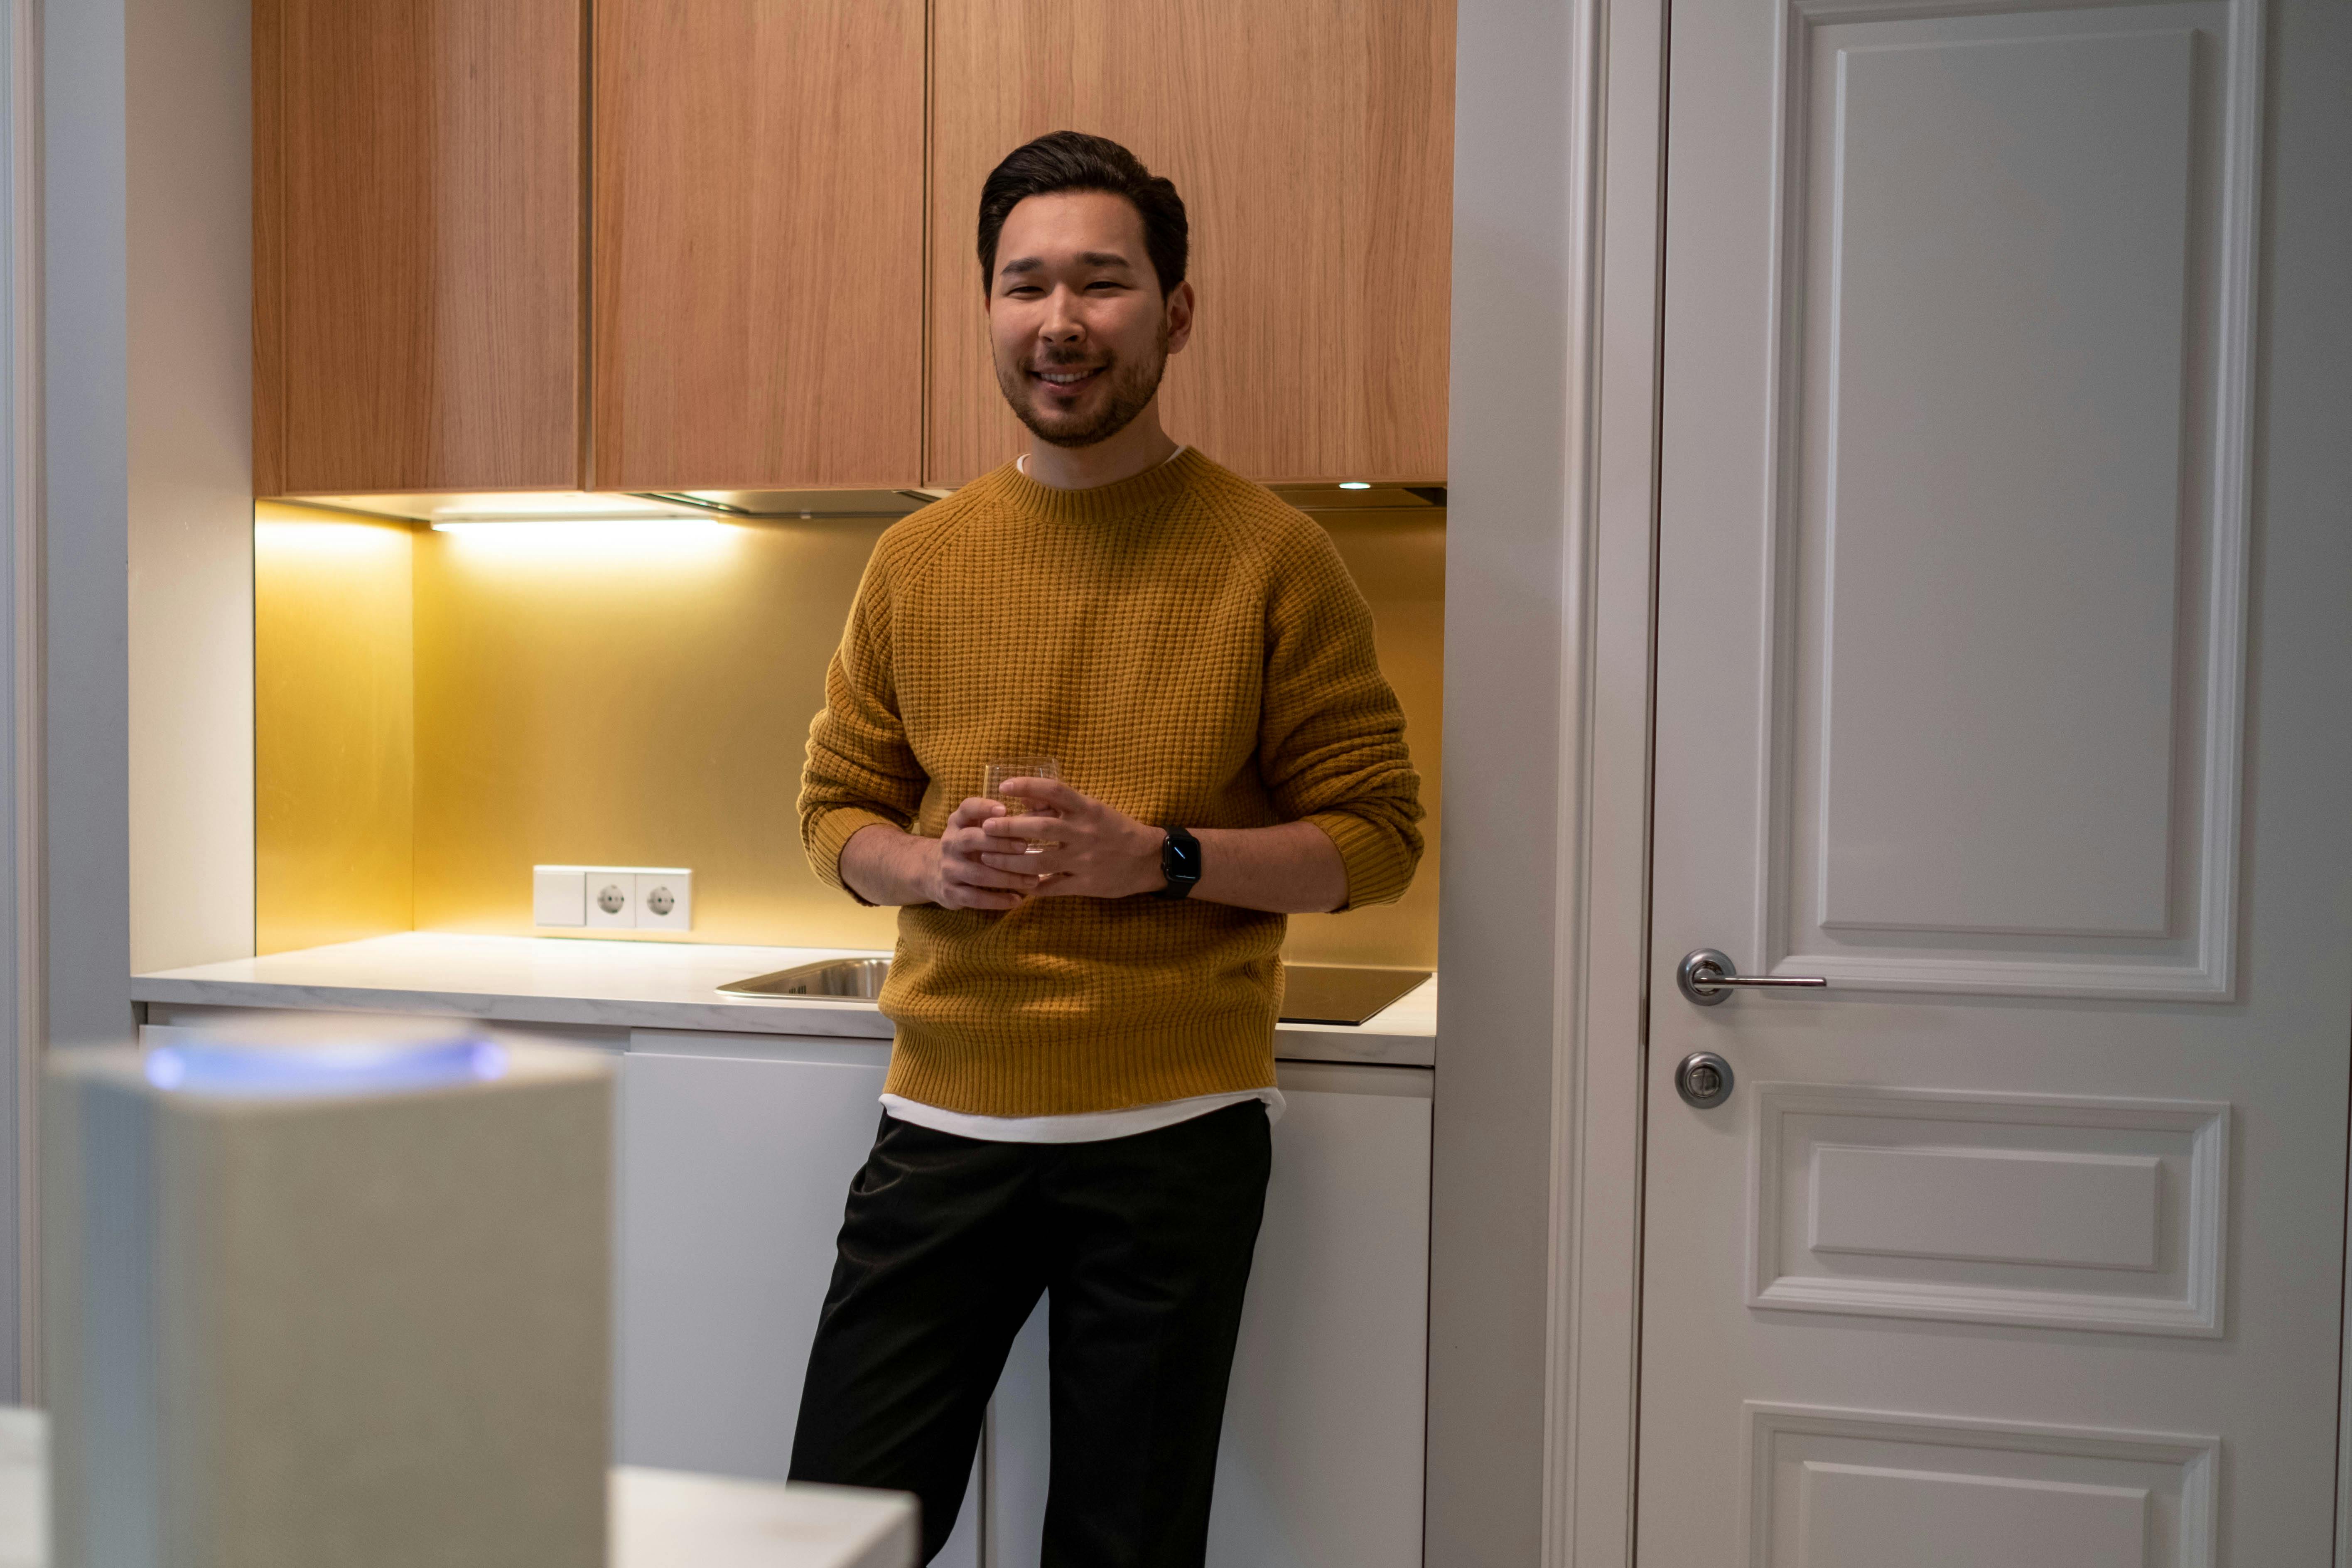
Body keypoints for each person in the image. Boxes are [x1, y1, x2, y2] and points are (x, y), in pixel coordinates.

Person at [787, 129, 1424, 1567]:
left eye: (1102, 283)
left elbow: (1375, 841)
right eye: (1024, 286)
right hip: (943, 1127)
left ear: (1174, 311)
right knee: (830, 1533)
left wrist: (1161, 860)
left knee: (1126, 1547)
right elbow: (837, 811)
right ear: (990, 308)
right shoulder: (918, 559)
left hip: (1172, 1144)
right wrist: (929, 869)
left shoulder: (1270, 556)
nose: (1058, 322)